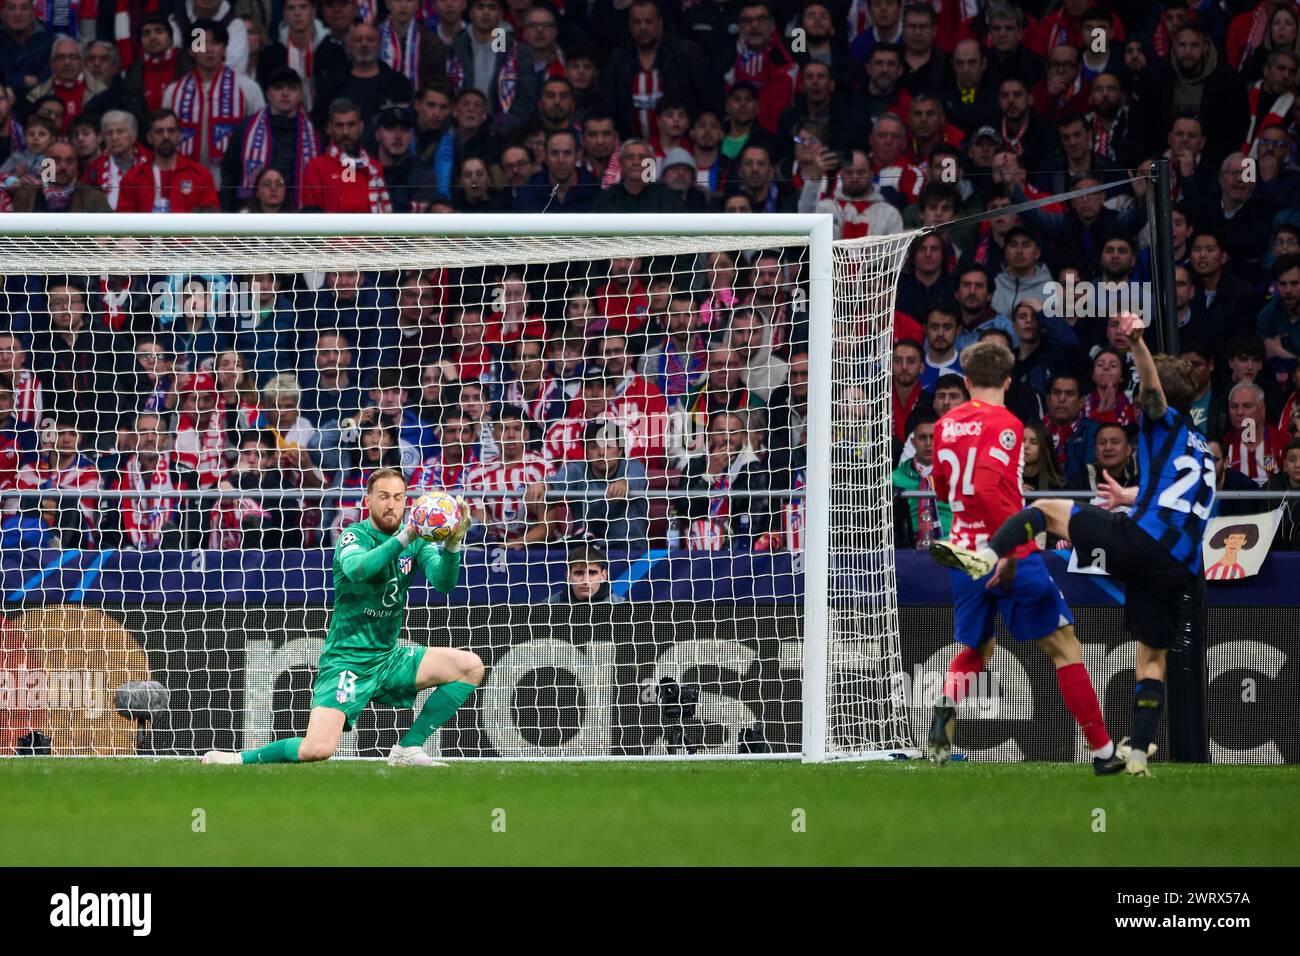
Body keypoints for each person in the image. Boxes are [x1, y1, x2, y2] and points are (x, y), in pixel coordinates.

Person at [965, 314, 1215, 777]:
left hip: (1144, 541)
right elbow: (1185, 499)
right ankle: (1138, 752)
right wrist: (1130, 497)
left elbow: (1156, 395)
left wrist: (1137, 343)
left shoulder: (1167, 421)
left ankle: (985, 555)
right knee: (1152, 657)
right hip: (1180, 564)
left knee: (1048, 509)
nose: (1139, 396)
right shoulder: (1202, 449)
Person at [925, 340, 1122, 774]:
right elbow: (992, 489)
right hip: (1004, 551)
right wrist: (1009, 554)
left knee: (977, 645)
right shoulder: (1008, 425)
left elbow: (943, 488)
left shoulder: (945, 425)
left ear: (968, 381)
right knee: (1065, 646)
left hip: (960, 551)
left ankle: (946, 703)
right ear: (1010, 381)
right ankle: (1104, 753)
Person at [203, 468, 479, 767]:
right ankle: (238, 759)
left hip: (388, 657)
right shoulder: (354, 535)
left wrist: (453, 544)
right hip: (347, 660)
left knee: (469, 666)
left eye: (398, 497)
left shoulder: (418, 542)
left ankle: (408, 749)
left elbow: (444, 583)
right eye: (383, 497)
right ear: (368, 500)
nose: (391, 505)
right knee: (317, 749)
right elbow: (358, 570)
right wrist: (406, 535)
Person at [548, 542, 624, 603]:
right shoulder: (550, 605)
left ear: (603, 576)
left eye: (592, 573)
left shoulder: (622, 608)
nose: (585, 581)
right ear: (568, 576)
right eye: (578, 573)